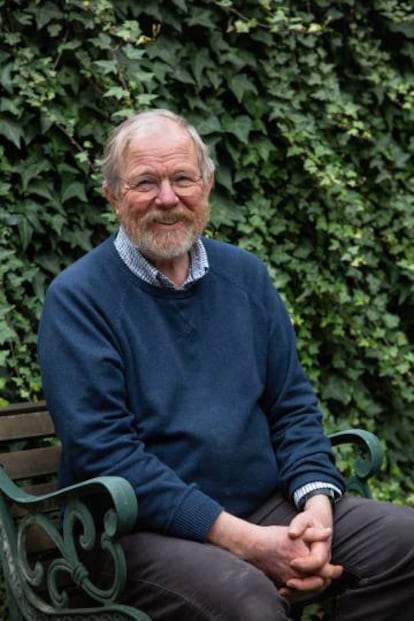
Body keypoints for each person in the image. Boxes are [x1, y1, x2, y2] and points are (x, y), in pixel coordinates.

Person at [38, 108, 414, 620]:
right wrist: (249, 543)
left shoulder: (245, 276)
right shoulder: (79, 300)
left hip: (265, 507)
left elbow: (293, 408)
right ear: (112, 195)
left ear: (207, 185)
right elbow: (107, 455)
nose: (167, 199)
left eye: (182, 179)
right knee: (246, 599)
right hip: (132, 536)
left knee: (405, 542)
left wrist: (316, 514)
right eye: (145, 182)